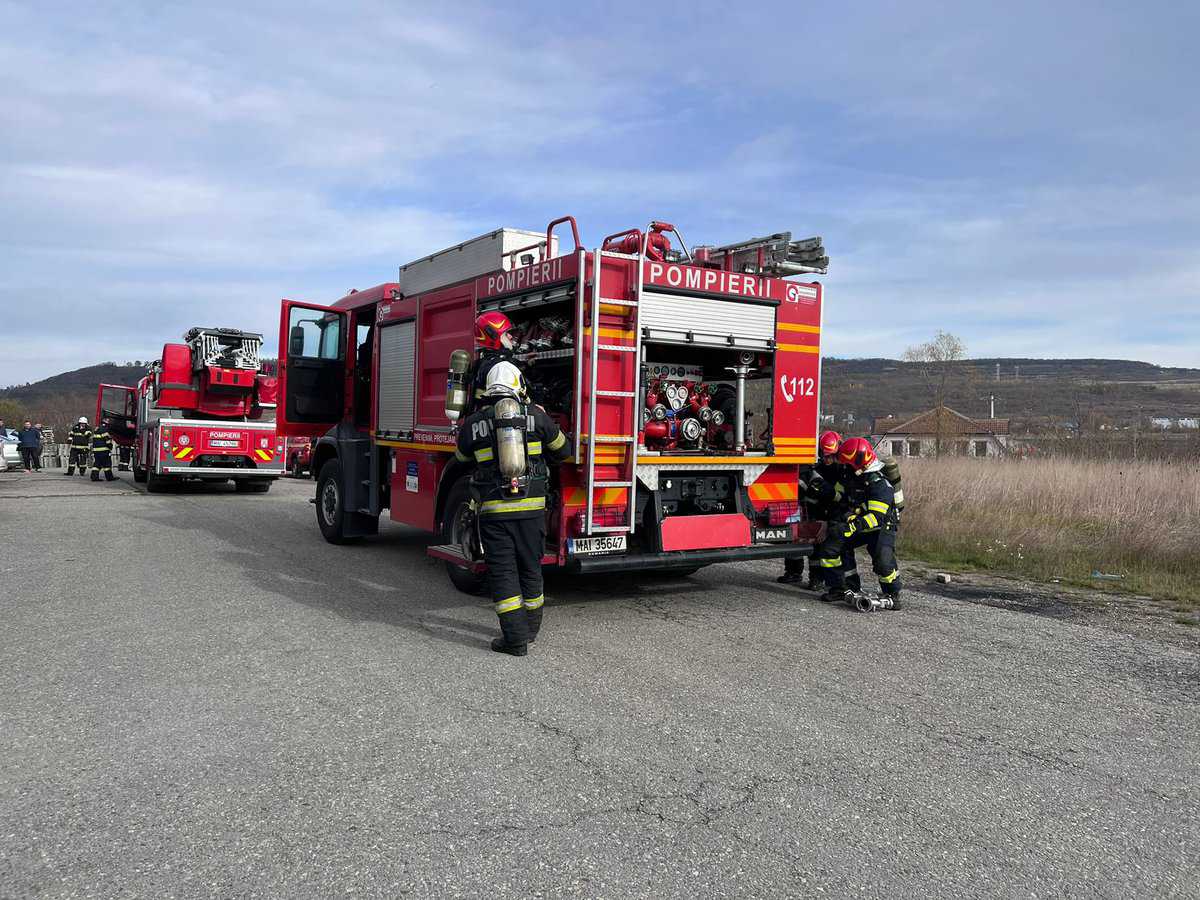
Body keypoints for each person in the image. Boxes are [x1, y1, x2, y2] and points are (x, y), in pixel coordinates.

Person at [454, 361, 570, 656]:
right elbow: (564, 451)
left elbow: (460, 457)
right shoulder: (536, 417)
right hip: (532, 510)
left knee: (503, 573)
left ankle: (515, 640)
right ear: (519, 386)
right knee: (531, 568)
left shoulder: (474, 423)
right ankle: (530, 631)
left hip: (495, 511)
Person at [813, 437, 902, 610]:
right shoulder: (850, 475)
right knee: (831, 546)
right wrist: (831, 523)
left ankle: (892, 593)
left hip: (881, 526)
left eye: (848, 463)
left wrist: (851, 527)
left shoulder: (879, 484)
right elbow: (840, 501)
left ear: (859, 461)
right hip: (858, 522)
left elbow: (876, 517)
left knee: (883, 560)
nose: (845, 466)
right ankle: (841, 587)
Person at [778, 430, 845, 587]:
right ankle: (793, 573)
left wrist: (830, 496)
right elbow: (801, 485)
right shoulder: (811, 466)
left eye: (831, 456)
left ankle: (816, 579)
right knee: (794, 538)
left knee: (818, 546)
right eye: (825, 455)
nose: (828, 459)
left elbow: (840, 495)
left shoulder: (843, 470)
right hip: (807, 507)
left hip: (828, 510)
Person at [467, 311, 521, 414]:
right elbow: (507, 408)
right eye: (507, 333)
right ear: (494, 335)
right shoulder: (500, 368)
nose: (510, 336)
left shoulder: (482, 363)